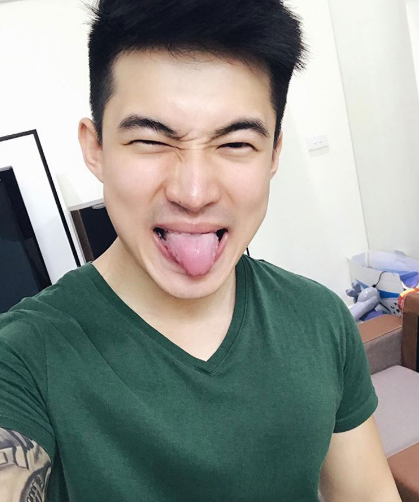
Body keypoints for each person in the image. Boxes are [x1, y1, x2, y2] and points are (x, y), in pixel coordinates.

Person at [0, 0, 402, 500]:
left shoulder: (320, 319)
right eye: (151, 140)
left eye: (235, 144)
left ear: (273, 155)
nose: (193, 193)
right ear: (95, 148)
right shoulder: (22, 359)